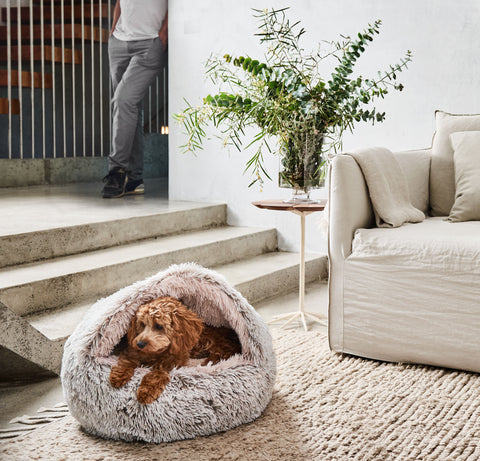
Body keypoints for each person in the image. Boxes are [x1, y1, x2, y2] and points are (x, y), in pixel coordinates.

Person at [102, 0, 168, 198]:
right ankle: (134, 178)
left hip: (149, 44)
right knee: (130, 108)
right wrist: (114, 28)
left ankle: (117, 170)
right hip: (119, 43)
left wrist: (163, 35)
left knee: (123, 101)